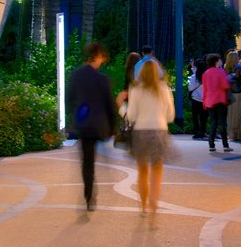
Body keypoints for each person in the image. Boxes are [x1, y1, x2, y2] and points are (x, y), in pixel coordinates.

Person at [65, 42, 116, 211]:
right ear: (98, 56)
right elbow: (110, 105)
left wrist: (74, 118)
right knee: (96, 160)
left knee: (87, 162)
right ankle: (90, 193)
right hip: (100, 126)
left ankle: (88, 194)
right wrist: (113, 127)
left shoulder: (76, 75)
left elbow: (69, 100)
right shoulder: (103, 80)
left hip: (84, 125)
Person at [127, 57, 174, 221]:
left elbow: (131, 115)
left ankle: (144, 206)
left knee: (142, 171)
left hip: (140, 132)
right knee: (157, 170)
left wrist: (122, 107)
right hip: (159, 131)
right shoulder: (164, 89)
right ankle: (154, 200)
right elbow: (170, 116)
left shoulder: (136, 89)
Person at [201, 53, 232, 152]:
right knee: (222, 123)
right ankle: (225, 145)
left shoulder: (205, 74)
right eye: (219, 59)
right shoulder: (220, 72)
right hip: (220, 100)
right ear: (216, 61)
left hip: (209, 101)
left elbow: (204, 89)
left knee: (213, 122)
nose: (221, 61)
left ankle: (211, 144)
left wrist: (204, 102)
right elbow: (225, 86)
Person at [225, 51, 241, 142]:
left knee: (231, 115)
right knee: (239, 114)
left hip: (229, 94)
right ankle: (240, 134)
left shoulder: (225, 68)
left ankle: (232, 134)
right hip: (238, 94)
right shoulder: (240, 68)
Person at [187, 58, 207, 139]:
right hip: (204, 99)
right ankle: (203, 131)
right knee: (203, 117)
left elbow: (190, 88)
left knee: (195, 117)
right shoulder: (206, 76)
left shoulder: (194, 76)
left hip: (195, 99)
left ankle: (197, 132)